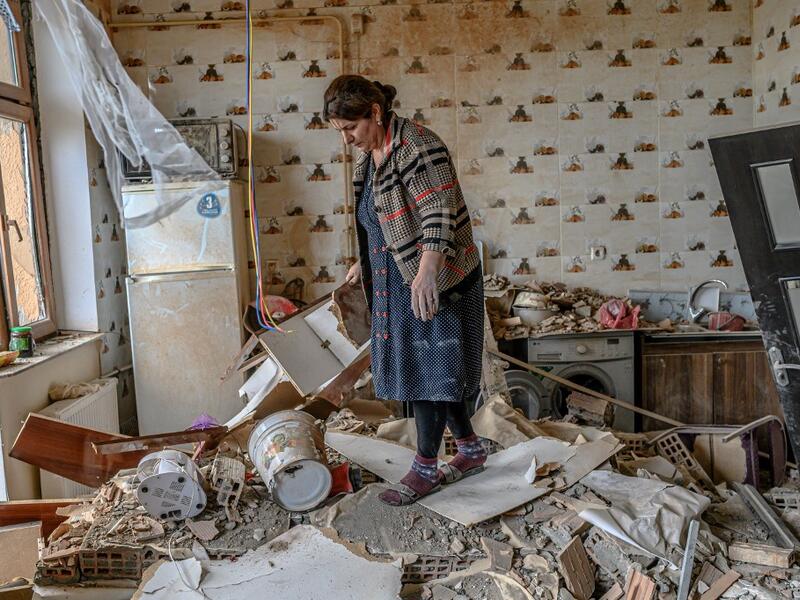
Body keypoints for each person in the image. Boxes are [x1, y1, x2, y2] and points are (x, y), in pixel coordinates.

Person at [322, 75, 486, 506]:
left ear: (375, 112)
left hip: (438, 278)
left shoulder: (418, 146)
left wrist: (428, 270)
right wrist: (367, 261)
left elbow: (438, 210)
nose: (347, 140)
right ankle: (469, 450)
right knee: (427, 372)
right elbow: (381, 215)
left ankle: (425, 469)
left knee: (431, 374)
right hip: (397, 277)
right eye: (340, 132)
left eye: (350, 129)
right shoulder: (372, 155)